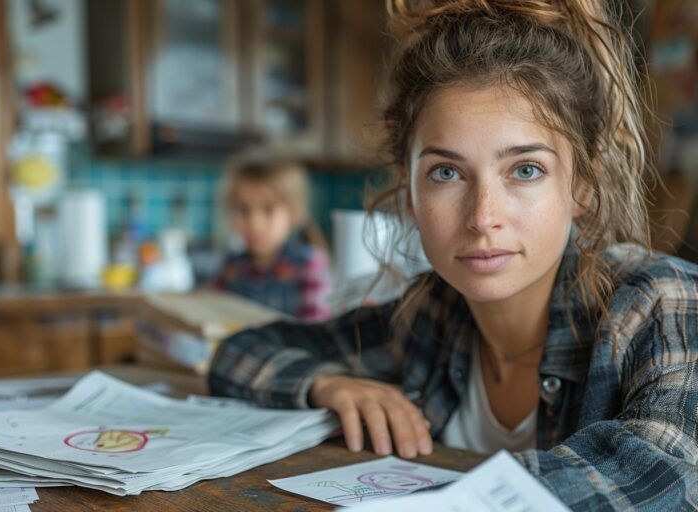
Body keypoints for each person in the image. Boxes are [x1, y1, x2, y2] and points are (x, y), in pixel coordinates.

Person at [209, 0, 698, 509]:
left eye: (525, 169)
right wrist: (327, 385)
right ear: (409, 186)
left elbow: (665, 471)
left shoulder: (664, 304)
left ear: (583, 184)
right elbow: (240, 355)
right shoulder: (429, 318)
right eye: (447, 172)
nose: (483, 217)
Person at [214, 159, 332, 322]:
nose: (255, 223)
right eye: (244, 210)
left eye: (268, 210)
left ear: (294, 213)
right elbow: (212, 315)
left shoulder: (308, 264)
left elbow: (315, 331)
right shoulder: (232, 267)